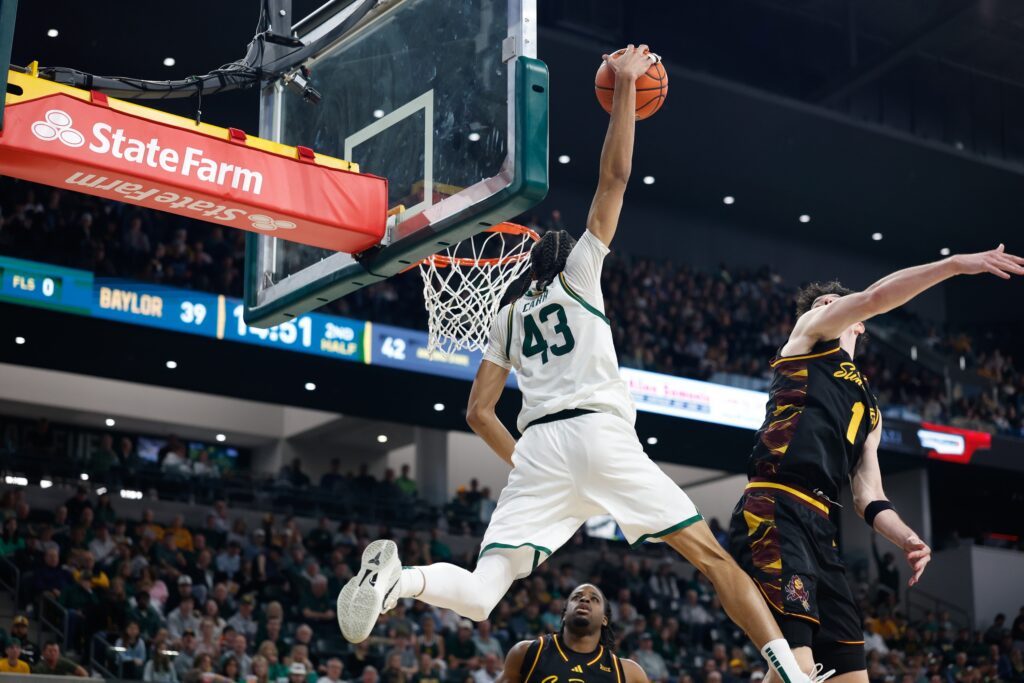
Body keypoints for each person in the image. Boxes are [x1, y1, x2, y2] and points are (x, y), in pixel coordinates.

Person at [338, 44, 818, 683]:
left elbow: (479, 413)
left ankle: (403, 581)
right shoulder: (580, 278)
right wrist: (625, 88)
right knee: (712, 559)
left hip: (540, 446)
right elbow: (613, 179)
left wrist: (532, 465)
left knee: (483, 594)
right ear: (563, 260)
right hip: (598, 432)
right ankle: (790, 673)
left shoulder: (505, 317)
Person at [728, 243, 1024, 683]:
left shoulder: (870, 408)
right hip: (777, 508)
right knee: (799, 667)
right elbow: (873, 296)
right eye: (825, 303)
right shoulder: (808, 337)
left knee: (852, 679)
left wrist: (906, 537)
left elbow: (869, 494)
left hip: (822, 529)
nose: (831, 307)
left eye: (835, 302)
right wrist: (955, 266)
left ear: (859, 328)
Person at [497, 584, 646, 683]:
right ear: (564, 615)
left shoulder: (628, 673)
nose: (584, 599)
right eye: (576, 597)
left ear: (604, 620)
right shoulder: (527, 652)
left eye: (594, 599)